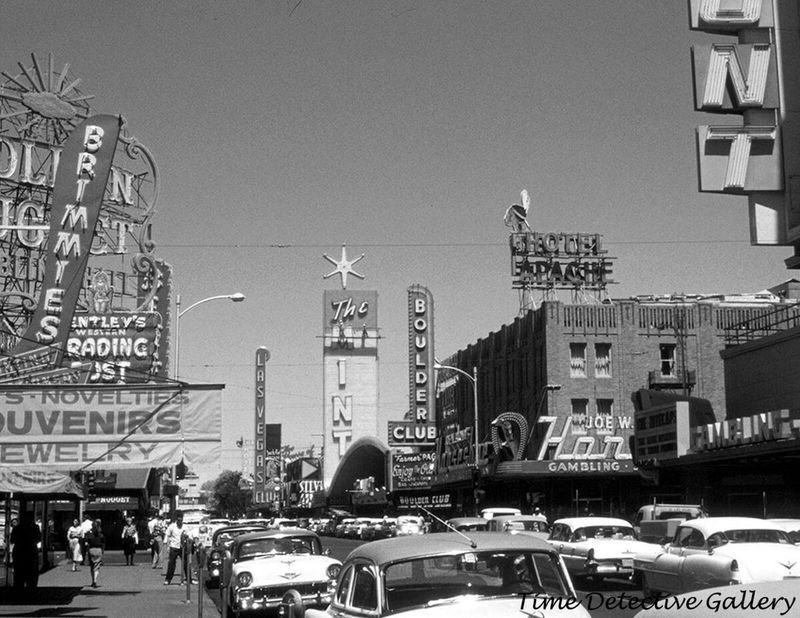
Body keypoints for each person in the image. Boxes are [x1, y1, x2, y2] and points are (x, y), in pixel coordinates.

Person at [10, 511, 41, 593]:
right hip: (31, 551)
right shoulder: (35, 527)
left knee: (18, 573)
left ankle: (18, 591)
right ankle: (31, 591)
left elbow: (12, 540)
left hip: (19, 551)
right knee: (31, 574)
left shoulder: (17, 528)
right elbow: (38, 539)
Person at [163, 513, 189, 585]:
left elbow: (188, 536)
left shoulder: (185, 527)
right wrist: (165, 543)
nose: (180, 522)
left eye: (181, 520)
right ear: (176, 520)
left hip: (182, 547)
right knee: (171, 563)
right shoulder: (172, 526)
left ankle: (188, 578)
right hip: (174, 546)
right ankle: (168, 579)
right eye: (178, 520)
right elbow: (167, 534)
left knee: (186, 563)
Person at [84, 519, 105, 588]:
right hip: (98, 550)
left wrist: (87, 551)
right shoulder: (101, 534)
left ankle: (93, 580)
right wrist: (102, 551)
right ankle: (95, 580)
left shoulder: (89, 534)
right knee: (97, 566)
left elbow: (86, 544)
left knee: (92, 566)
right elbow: (103, 543)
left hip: (91, 550)